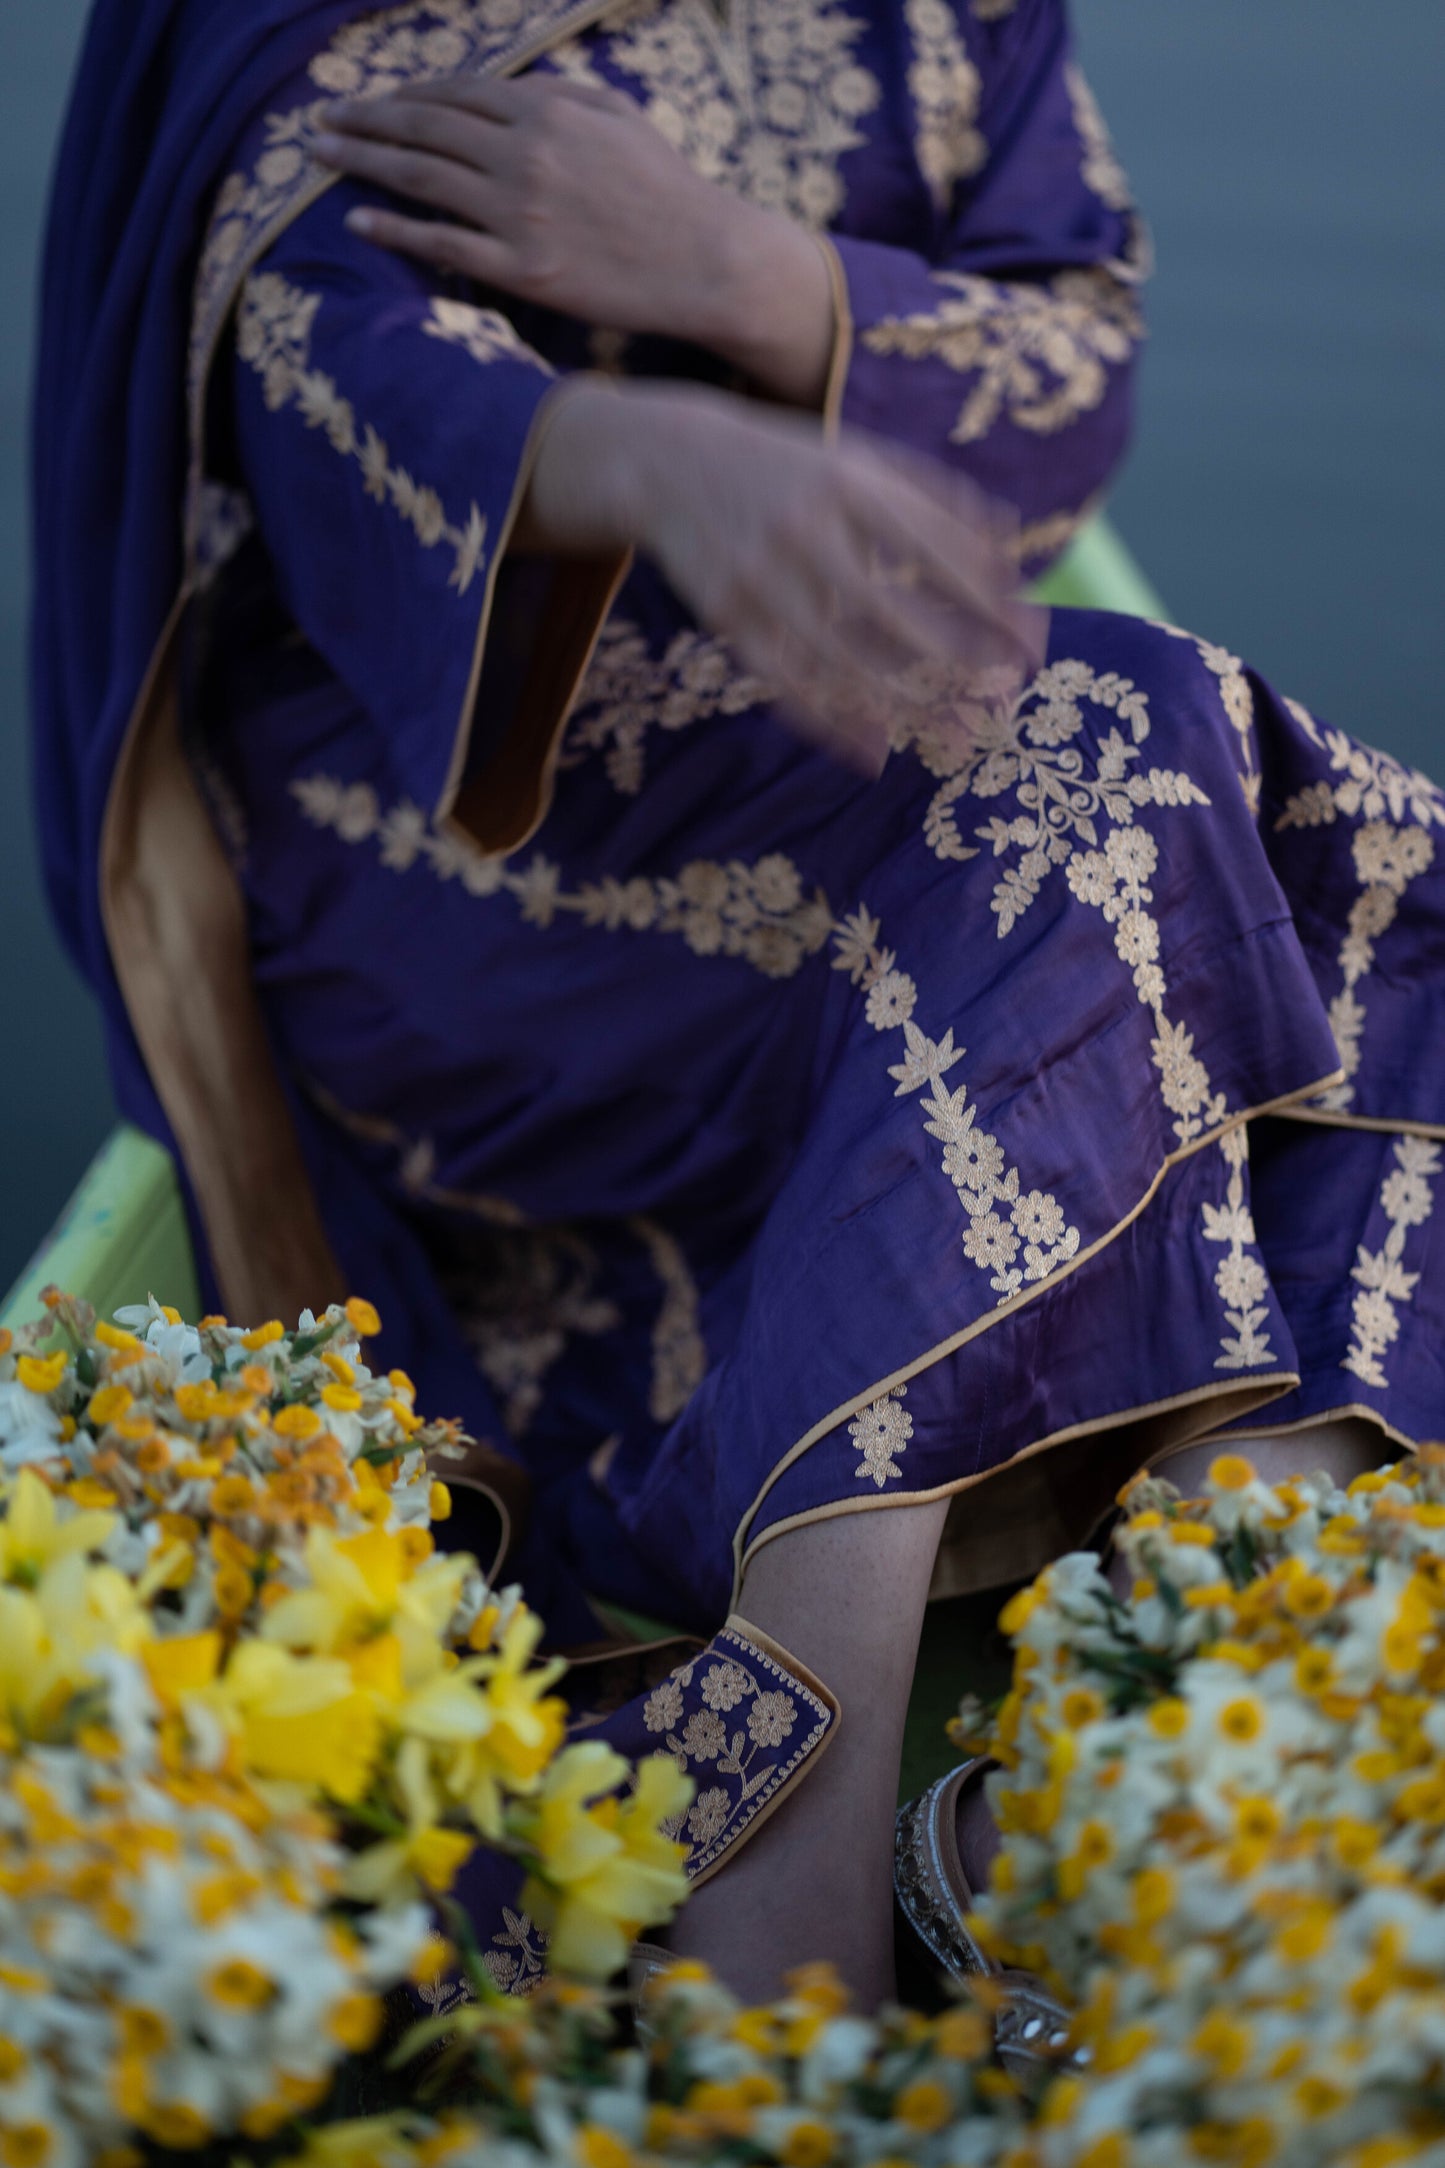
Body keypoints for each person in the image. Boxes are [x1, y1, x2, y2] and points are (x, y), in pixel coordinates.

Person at [31, 0, 1444, 2024]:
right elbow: (315, 356)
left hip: (846, 681)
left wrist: (758, 288)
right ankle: (795, 1824)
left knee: (1373, 888)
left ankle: (1162, 1722)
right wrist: (634, 456)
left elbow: (1074, 340)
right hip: (466, 818)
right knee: (1122, 756)